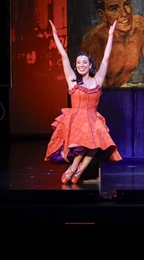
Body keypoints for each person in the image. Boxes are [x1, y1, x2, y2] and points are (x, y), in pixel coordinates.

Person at [45, 19, 122, 184]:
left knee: (99, 134)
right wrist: (55, 35)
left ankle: (79, 168)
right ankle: (73, 168)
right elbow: (64, 56)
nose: (81, 65)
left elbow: (106, 58)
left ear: (90, 65)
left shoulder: (97, 80)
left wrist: (110, 35)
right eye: (78, 62)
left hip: (92, 118)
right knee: (90, 132)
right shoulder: (72, 80)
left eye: (84, 62)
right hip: (76, 120)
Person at [80, 0, 144, 87]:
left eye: (127, 4)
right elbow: (98, 91)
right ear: (102, 15)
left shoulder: (141, 27)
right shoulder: (94, 42)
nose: (124, 13)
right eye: (114, 9)